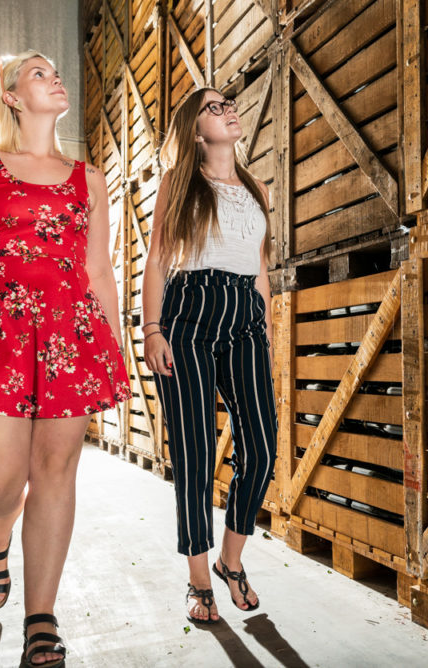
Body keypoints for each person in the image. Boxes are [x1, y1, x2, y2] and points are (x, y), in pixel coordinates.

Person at [0, 51, 130, 667]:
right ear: (12, 96)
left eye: (55, 71)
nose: (54, 77)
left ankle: (41, 617)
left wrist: (112, 352)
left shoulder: (90, 179)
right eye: (38, 73)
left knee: (56, 472)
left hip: (72, 333)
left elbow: (99, 271)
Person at [141, 87, 278, 624]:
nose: (228, 110)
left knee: (262, 448)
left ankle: (231, 559)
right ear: (197, 131)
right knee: (196, 454)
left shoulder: (257, 188)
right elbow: (158, 260)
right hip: (188, 314)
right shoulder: (180, 182)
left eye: (229, 103)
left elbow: (260, 268)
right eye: (214, 108)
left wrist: (266, 332)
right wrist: (152, 329)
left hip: (245, 315)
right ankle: (199, 578)